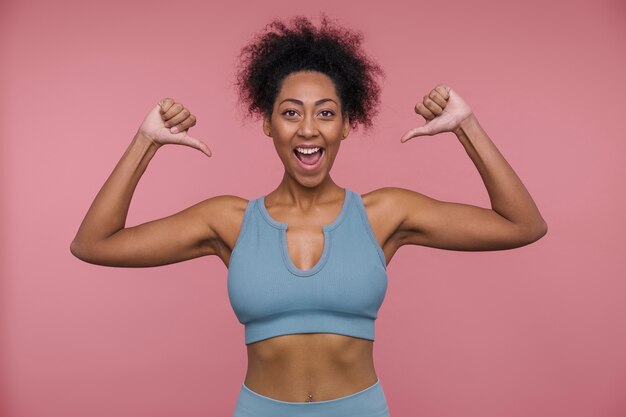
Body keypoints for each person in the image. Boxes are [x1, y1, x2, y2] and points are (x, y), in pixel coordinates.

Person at [70, 14, 548, 417]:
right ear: (267, 122)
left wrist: (467, 126)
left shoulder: (384, 213)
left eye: (325, 113)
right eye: (291, 112)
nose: (308, 129)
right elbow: (95, 244)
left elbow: (522, 225)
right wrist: (145, 141)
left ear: (345, 125)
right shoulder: (229, 222)